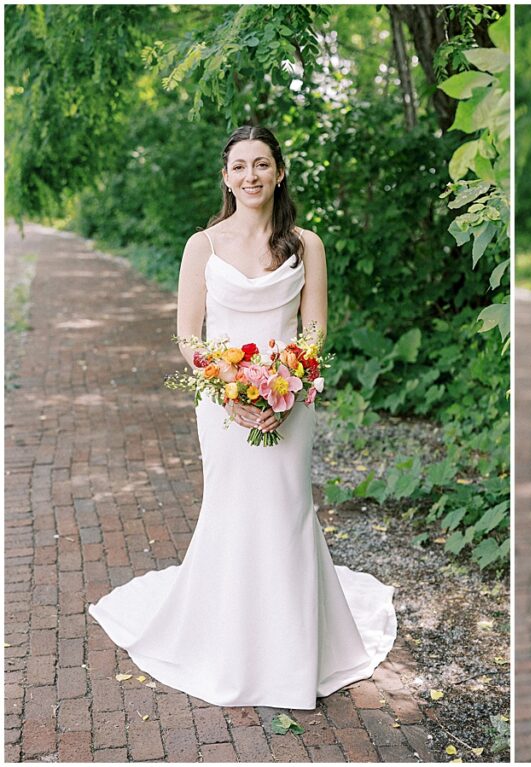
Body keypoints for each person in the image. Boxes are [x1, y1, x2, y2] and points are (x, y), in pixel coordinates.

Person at [88, 125, 397, 708]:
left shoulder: (307, 244)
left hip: (292, 398)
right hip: (223, 402)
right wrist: (227, 387)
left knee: (289, 511)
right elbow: (188, 333)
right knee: (232, 512)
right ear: (226, 177)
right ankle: (225, 645)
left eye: (261, 164)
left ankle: (296, 653)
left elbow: (315, 328)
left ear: (280, 172)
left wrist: (291, 380)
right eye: (239, 166)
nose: (250, 175)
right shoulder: (201, 246)